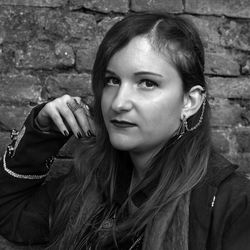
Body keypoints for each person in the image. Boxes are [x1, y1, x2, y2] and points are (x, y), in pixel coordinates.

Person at [0, 12, 250, 250]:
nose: (119, 103)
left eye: (147, 83)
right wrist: (43, 132)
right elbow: (11, 214)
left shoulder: (232, 204)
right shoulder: (93, 182)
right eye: (112, 80)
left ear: (190, 101)